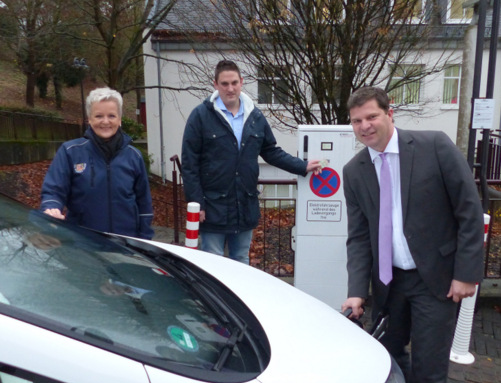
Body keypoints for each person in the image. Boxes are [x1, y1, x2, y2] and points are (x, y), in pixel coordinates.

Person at [340, 87, 483, 383]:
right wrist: (355, 292)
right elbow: (359, 237)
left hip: (436, 280)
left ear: (390, 114)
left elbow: (469, 210)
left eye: (371, 117)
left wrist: (466, 274)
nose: (364, 126)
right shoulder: (353, 172)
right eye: (356, 121)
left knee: (429, 372)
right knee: (385, 360)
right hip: (388, 285)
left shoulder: (434, 146)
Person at [181, 60, 322, 264]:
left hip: (244, 207)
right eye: (225, 84)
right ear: (215, 84)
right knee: (212, 265)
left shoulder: (254, 116)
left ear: (242, 82)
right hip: (213, 208)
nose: (230, 88)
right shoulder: (201, 116)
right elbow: (189, 164)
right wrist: (197, 202)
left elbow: (271, 152)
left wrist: (302, 166)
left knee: (241, 262)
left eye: (234, 83)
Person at [40, 87, 154, 239]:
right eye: (99, 116)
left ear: (119, 119)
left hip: (125, 245)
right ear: (89, 119)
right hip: (83, 245)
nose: (105, 121)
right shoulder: (70, 152)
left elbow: (144, 203)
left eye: (111, 116)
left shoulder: (134, 156)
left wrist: (145, 241)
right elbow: (54, 190)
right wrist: (51, 208)